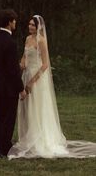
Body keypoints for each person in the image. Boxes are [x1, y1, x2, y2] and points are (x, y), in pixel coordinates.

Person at [8, 15, 96, 159]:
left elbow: (45, 64)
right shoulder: (27, 39)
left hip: (37, 79)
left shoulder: (41, 41)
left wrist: (32, 81)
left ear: (38, 27)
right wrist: (21, 64)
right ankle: (29, 136)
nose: (30, 27)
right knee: (28, 108)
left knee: (37, 108)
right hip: (26, 75)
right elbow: (25, 55)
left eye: (33, 25)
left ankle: (41, 138)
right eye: (29, 24)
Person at [0, 9, 26, 158]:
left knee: (1, 116)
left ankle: (1, 146)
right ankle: (5, 148)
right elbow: (13, 70)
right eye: (14, 20)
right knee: (9, 118)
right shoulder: (10, 43)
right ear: (9, 22)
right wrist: (21, 88)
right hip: (9, 87)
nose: (15, 23)